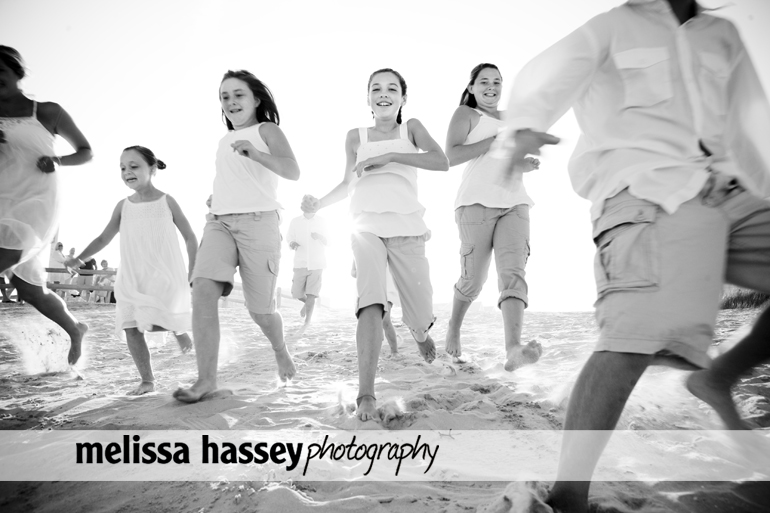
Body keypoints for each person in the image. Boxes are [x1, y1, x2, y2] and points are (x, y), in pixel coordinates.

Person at [492, 0, 770, 510]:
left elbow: (753, 122)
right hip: (646, 191)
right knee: (632, 340)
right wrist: (527, 125)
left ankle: (720, 377)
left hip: (733, 191)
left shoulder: (722, 35)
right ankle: (568, 494)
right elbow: (548, 74)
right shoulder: (614, 26)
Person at [303, 68, 449, 421]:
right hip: (364, 224)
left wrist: (392, 157)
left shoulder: (410, 128)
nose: (384, 94)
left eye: (392, 88)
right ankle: (366, 393)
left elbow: (440, 161)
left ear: (403, 97)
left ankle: (417, 329)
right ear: (368, 98)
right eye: (376, 89)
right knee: (371, 301)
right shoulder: (355, 136)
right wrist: (319, 203)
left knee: (419, 306)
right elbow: (347, 182)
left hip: (406, 224)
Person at [174, 70, 299, 403]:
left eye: (238, 94)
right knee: (202, 288)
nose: (231, 102)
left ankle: (280, 349)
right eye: (224, 96)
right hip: (219, 223)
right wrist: (218, 198)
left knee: (260, 312)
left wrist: (256, 153)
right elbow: (233, 178)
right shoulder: (222, 141)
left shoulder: (267, 130)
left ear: (256, 99)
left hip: (260, 224)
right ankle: (206, 380)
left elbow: (292, 170)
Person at [66, 146, 197, 395]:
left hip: (164, 275)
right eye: (123, 168)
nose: (127, 172)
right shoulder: (122, 206)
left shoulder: (167, 201)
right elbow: (104, 238)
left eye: (134, 166)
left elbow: (190, 236)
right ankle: (147, 380)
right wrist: (79, 260)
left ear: (152, 168)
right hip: (131, 276)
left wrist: (193, 271)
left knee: (155, 321)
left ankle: (177, 328)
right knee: (131, 326)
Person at [444, 63, 542, 369]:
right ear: (472, 88)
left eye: (497, 81)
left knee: (513, 273)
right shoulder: (466, 114)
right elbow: (452, 155)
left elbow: (504, 158)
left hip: (514, 201)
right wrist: (494, 142)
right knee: (473, 279)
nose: (491, 86)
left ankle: (513, 348)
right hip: (475, 202)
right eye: (484, 81)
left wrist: (523, 163)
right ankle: (454, 327)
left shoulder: (511, 118)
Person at [0, 46, 91, 365]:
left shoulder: (47, 111)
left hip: (36, 200)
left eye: (1, 70)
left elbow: (85, 151)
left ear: (17, 73)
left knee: (6, 255)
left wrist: (57, 160)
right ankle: (75, 328)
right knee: (28, 290)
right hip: (2, 199)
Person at [287, 201, 328, 326]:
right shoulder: (295, 221)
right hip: (300, 262)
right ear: (303, 207)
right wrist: (292, 244)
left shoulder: (322, 221)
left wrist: (320, 237)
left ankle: (307, 321)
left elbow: (330, 240)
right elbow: (290, 237)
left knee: (311, 294)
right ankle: (307, 304)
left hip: (317, 263)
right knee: (297, 293)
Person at [352, 260, 401, 355]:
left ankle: (394, 351)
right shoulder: (359, 248)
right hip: (369, 288)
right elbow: (353, 272)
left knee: (385, 319)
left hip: (387, 288)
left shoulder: (386, 246)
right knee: (370, 322)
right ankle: (372, 348)